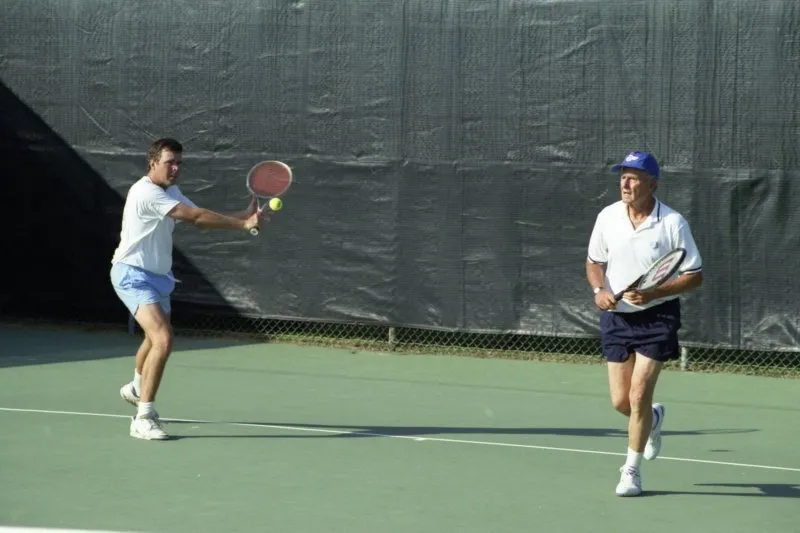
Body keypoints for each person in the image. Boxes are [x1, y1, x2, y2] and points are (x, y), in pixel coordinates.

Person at [110, 138, 263, 441]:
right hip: (132, 274)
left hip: (158, 276)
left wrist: (243, 216)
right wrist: (242, 226)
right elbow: (193, 217)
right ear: (152, 163)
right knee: (163, 339)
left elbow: (202, 221)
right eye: (170, 163)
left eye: (179, 162)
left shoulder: (171, 191)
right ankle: (143, 417)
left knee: (152, 339)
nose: (176, 168)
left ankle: (137, 387)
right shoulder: (146, 192)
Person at [585, 151, 703, 496]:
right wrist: (599, 290)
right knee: (622, 402)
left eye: (634, 177)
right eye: (623, 175)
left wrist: (654, 294)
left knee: (638, 395)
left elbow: (694, 275)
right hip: (616, 318)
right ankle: (653, 419)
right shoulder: (607, 216)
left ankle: (630, 471)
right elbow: (594, 262)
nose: (625, 182)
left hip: (658, 317)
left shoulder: (672, 223)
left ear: (652, 184)